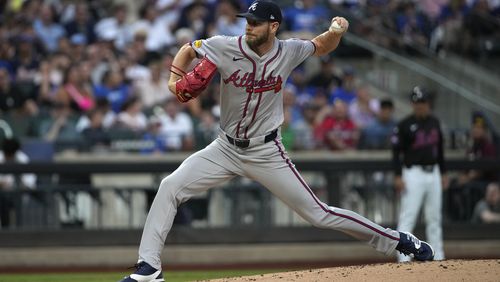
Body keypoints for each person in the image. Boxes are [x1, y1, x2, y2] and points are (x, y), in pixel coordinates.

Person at [121, 2, 434, 281]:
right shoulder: (225, 45)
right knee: (169, 187)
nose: (248, 25)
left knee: (318, 213)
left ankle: (399, 241)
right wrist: (175, 78)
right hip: (225, 147)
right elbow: (189, 48)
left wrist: (335, 31)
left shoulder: (288, 51)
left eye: (256, 22)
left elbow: (321, 46)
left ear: (273, 26)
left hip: (266, 150)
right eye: (247, 20)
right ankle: (149, 267)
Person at [391, 86, 446, 262]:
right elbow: (395, 153)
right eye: (417, 102)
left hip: (433, 173)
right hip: (413, 173)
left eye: (422, 102)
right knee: (408, 217)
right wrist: (398, 175)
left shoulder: (435, 122)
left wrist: (443, 173)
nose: (420, 105)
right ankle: (403, 259)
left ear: (428, 103)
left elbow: (440, 150)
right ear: (412, 104)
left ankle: (438, 257)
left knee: (434, 217)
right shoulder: (405, 125)